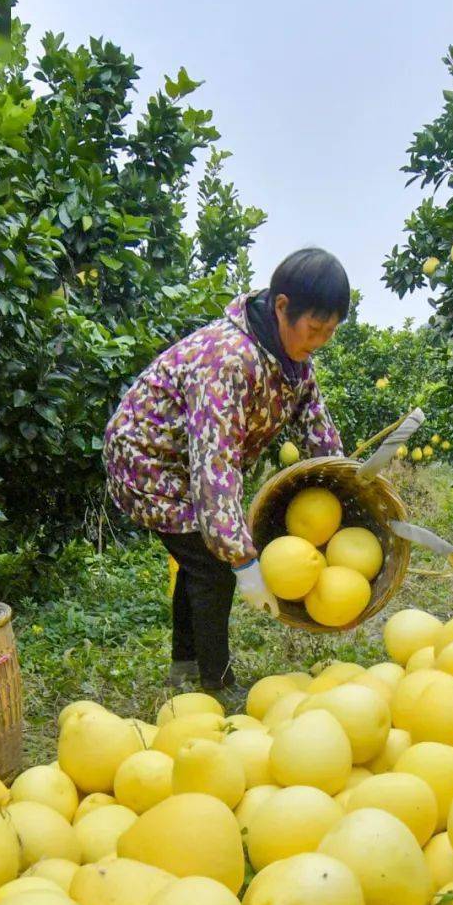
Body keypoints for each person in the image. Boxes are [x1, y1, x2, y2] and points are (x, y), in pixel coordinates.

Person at [104, 248, 349, 699]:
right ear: (281, 307)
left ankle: (185, 665)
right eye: (314, 329)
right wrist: (241, 558)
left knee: (198, 560)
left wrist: (344, 482)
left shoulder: (294, 361)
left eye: (329, 333)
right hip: (148, 459)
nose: (319, 341)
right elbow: (214, 464)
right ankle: (216, 683)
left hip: (187, 461)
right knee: (213, 566)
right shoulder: (228, 359)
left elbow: (316, 427)